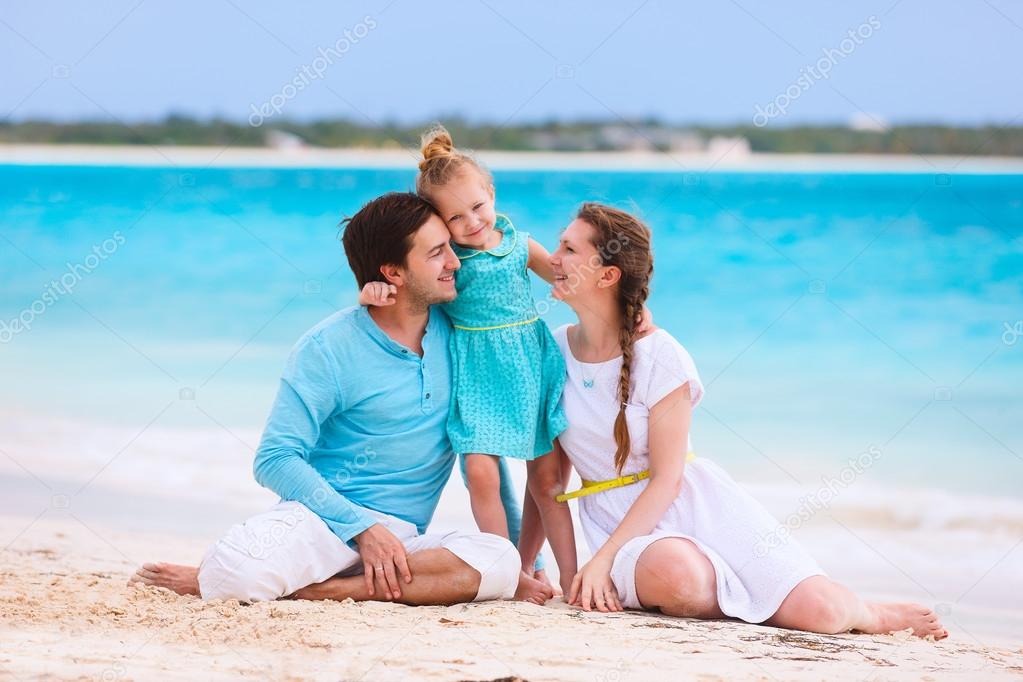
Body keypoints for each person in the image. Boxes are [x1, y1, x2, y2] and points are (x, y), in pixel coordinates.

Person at [534, 201, 948, 639]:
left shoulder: (661, 355)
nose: (553, 259)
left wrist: (601, 561)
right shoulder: (553, 352)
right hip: (621, 529)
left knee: (823, 614)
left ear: (608, 275)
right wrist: (567, 570)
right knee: (679, 577)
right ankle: (740, 604)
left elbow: (667, 480)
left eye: (568, 249)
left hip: (699, 506)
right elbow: (547, 485)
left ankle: (870, 613)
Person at [129, 192, 524, 605]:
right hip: (322, 523)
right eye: (437, 253)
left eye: (450, 248)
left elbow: (483, 457)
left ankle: (324, 590)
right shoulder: (328, 347)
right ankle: (266, 577)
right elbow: (275, 458)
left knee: (499, 561)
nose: (455, 263)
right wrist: (361, 529)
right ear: (393, 271)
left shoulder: (464, 336)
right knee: (233, 576)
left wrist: (523, 563)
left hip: (405, 539)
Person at [359, 126, 578, 596]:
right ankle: (507, 571)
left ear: (491, 194)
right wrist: (374, 293)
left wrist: (624, 311)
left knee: (546, 480)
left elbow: (569, 280)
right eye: (456, 217)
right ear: (441, 224)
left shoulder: (519, 245)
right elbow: (404, 296)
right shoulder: (446, 260)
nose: (472, 222)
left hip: (531, 371)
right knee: (480, 472)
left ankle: (571, 575)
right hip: (476, 378)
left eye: (478, 207)